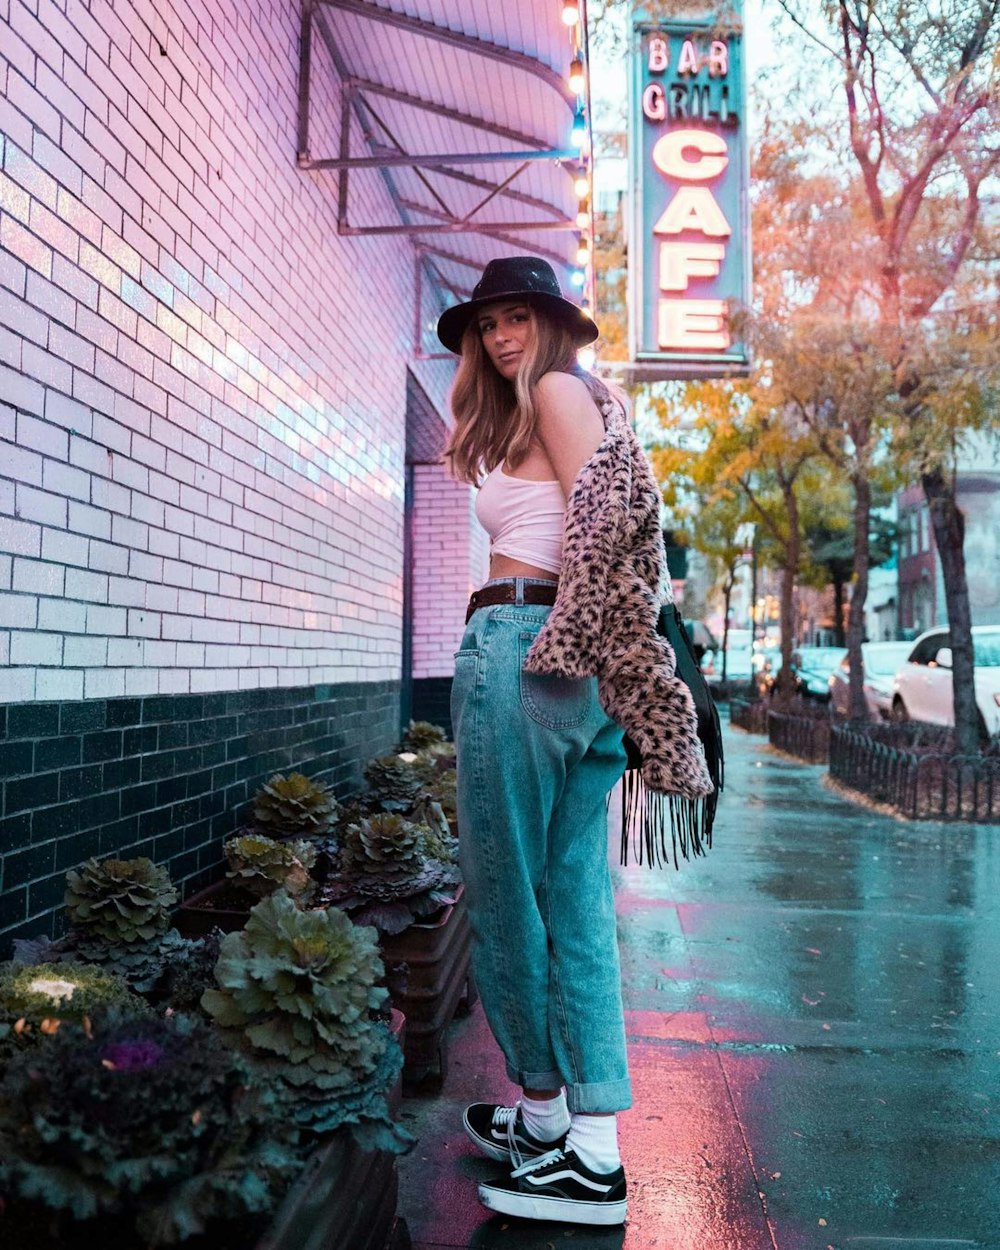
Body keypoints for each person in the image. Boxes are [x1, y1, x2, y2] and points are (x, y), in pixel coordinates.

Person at [438, 257, 712, 1228]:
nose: (502, 335)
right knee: (568, 897)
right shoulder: (553, 402)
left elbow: (608, 521)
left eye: (518, 317)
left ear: (552, 326)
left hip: (528, 649)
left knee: (506, 895)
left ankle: (561, 1120)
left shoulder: (557, 389)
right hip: (560, 657)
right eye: (488, 324)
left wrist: (569, 642)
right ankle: (571, 1134)